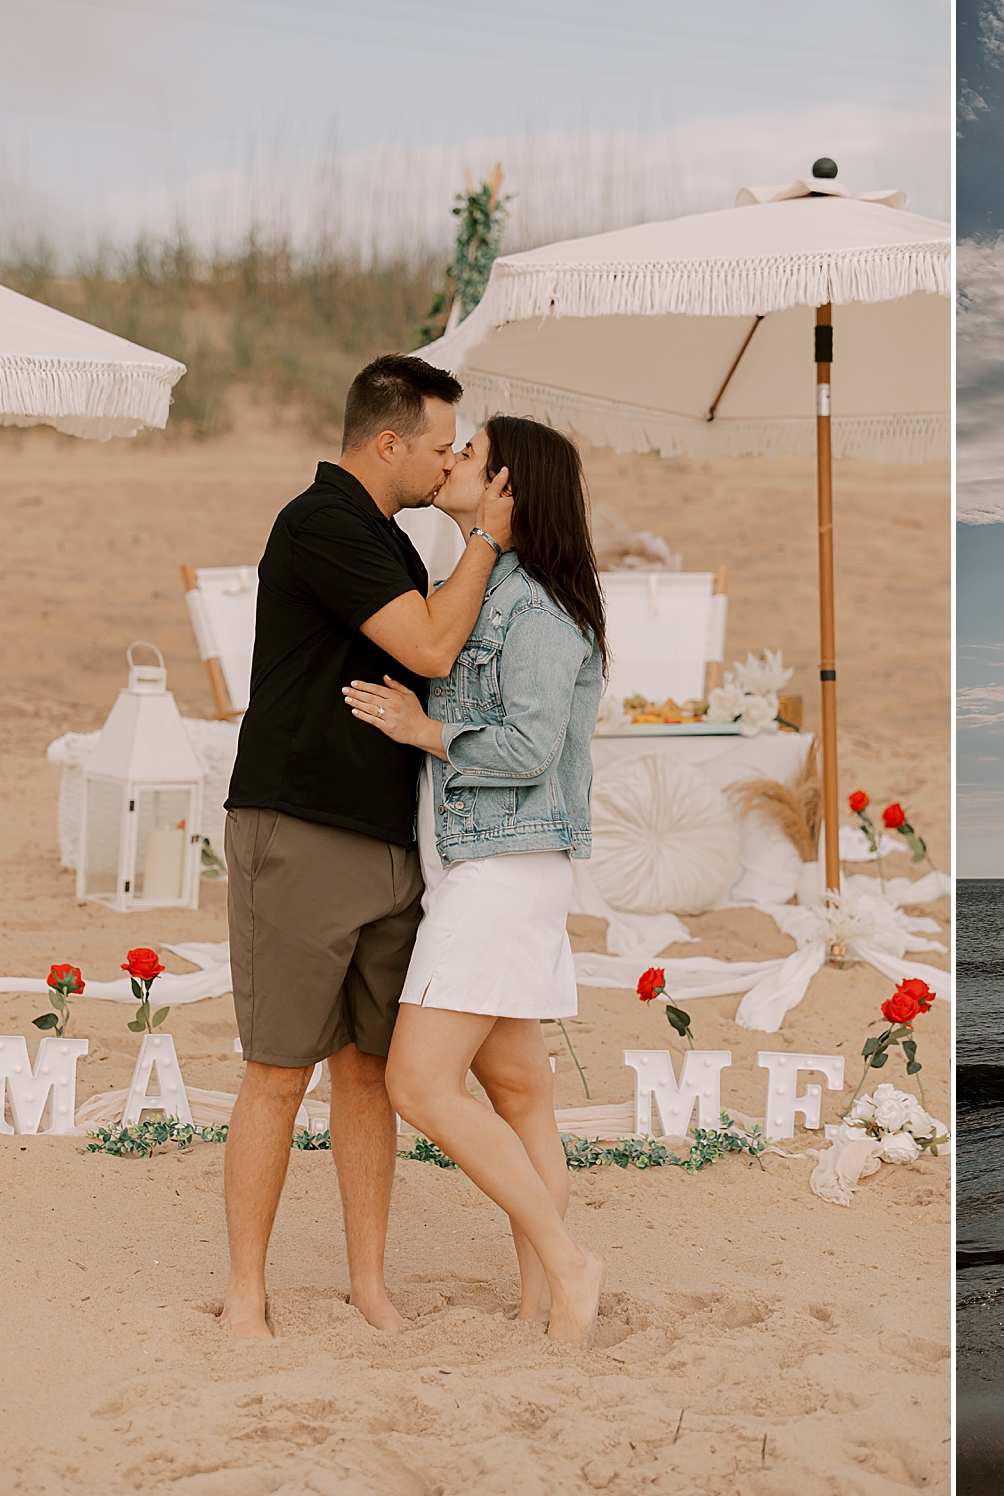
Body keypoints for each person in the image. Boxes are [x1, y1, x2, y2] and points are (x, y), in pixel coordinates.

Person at [220, 353, 513, 1340]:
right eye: (438, 446)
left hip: (392, 838)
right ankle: (246, 1293)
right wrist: (484, 536)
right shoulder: (324, 524)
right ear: (386, 441)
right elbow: (428, 648)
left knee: (366, 1069)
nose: (447, 463)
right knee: (275, 1069)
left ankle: (369, 1285)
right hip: (299, 827)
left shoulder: (386, 537)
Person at [341, 414, 608, 1347]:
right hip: (487, 865)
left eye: (470, 452)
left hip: (502, 866)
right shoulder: (487, 590)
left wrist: (426, 731)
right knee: (519, 1089)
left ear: (509, 487)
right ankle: (545, 1306)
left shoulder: (533, 609)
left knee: (418, 1083)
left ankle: (569, 1265)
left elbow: (533, 744)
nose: (451, 457)